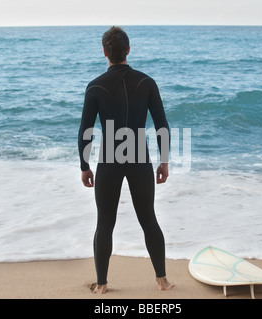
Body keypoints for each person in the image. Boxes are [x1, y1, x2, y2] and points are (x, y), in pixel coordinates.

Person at [78, 26, 174, 294]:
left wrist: (84, 166)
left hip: (109, 159)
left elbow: (85, 131)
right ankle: (162, 280)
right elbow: (161, 126)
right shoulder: (146, 82)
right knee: (149, 219)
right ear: (128, 50)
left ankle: (102, 284)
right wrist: (164, 160)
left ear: (105, 52)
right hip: (138, 157)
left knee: (104, 222)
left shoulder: (95, 86)